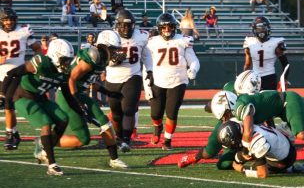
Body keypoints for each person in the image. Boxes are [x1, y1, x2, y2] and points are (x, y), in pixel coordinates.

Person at [36, 30, 128, 169]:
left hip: (80, 94)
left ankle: (114, 159)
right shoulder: (92, 57)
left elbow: (88, 80)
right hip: (68, 96)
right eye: (113, 49)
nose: (116, 52)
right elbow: (72, 79)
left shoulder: (100, 58)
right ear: (104, 46)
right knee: (82, 138)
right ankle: (44, 144)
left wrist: (107, 92)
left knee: (103, 125)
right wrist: (78, 104)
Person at [2, 39, 77, 175]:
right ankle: (52, 164)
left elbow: (68, 95)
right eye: (64, 59)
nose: (67, 63)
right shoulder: (41, 62)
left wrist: (82, 112)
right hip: (24, 96)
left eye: (68, 60)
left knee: (63, 119)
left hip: (40, 98)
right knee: (46, 123)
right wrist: (3, 93)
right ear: (54, 55)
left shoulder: (63, 72)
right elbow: (13, 73)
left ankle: (43, 151)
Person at [145, 13, 200, 150]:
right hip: (158, 80)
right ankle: (158, 127)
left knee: (171, 112)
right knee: (155, 114)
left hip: (178, 80)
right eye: (163, 27)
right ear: (159, 28)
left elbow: (193, 60)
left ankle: (167, 140)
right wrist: (146, 85)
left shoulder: (183, 40)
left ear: (174, 27)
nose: (167, 30)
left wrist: (193, 69)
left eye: (169, 27)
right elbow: (146, 64)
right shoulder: (152, 42)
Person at [107, 9, 153, 152]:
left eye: (129, 25)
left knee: (129, 109)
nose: (126, 28)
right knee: (115, 113)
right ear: (117, 25)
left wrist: (150, 70)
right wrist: (113, 59)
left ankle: (126, 139)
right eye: (123, 25)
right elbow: (101, 58)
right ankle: (120, 137)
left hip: (132, 76)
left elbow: (146, 55)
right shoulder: (108, 36)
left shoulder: (141, 36)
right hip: (112, 77)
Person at [0, 7, 41, 150]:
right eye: (5, 19)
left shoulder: (24, 30)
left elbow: (38, 49)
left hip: (17, 72)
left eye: (11, 19)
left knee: (8, 103)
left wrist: (32, 65)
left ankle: (10, 134)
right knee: (7, 104)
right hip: (1, 73)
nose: (9, 22)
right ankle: (14, 133)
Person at [218, 121, 304, 178]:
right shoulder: (246, 125)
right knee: (239, 157)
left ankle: (289, 168)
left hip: (285, 158)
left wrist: (243, 170)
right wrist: (239, 160)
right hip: (284, 143)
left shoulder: (256, 142)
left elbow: (263, 174)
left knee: (254, 167)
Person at [243, 16, 288, 91]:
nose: (261, 31)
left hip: (269, 77)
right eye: (258, 28)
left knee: (270, 100)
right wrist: (244, 77)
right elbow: (247, 64)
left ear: (268, 28)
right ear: (254, 29)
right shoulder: (249, 42)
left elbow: (285, 64)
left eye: (263, 28)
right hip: (254, 78)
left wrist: (284, 79)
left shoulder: (276, 43)